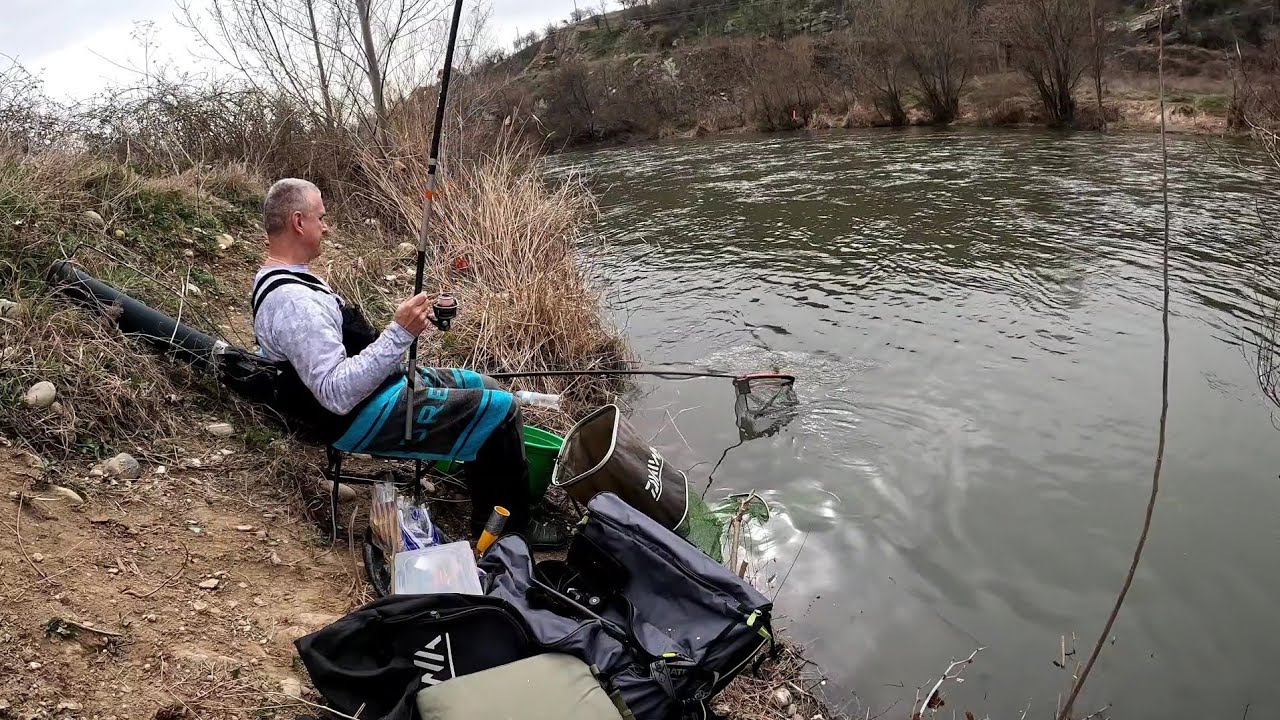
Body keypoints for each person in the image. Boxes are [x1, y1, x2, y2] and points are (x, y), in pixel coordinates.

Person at [250, 178, 567, 549]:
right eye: (322, 217)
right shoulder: (294, 302)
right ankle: (504, 534)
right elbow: (335, 393)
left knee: (487, 387)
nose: (327, 226)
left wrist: (402, 331)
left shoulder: (287, 278)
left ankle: (496, 498)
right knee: (502, 410)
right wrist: (399, 332)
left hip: (376, 391)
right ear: (299, 222)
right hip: (355, 417)